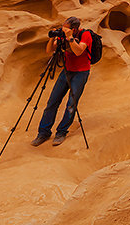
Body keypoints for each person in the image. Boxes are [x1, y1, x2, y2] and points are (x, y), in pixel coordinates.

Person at [31, 16, 92, 147]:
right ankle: (43, 133)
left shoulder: (85, 34)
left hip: (81, 73)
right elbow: (49, 50)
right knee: (52, 102)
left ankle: (61, 132)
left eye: (66, 28)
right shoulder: (62, 36)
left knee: (71, 104)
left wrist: (70, 38)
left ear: (74, 29)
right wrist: (53, 37)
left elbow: (78, 51)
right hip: (66, 71)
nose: (63, 29)